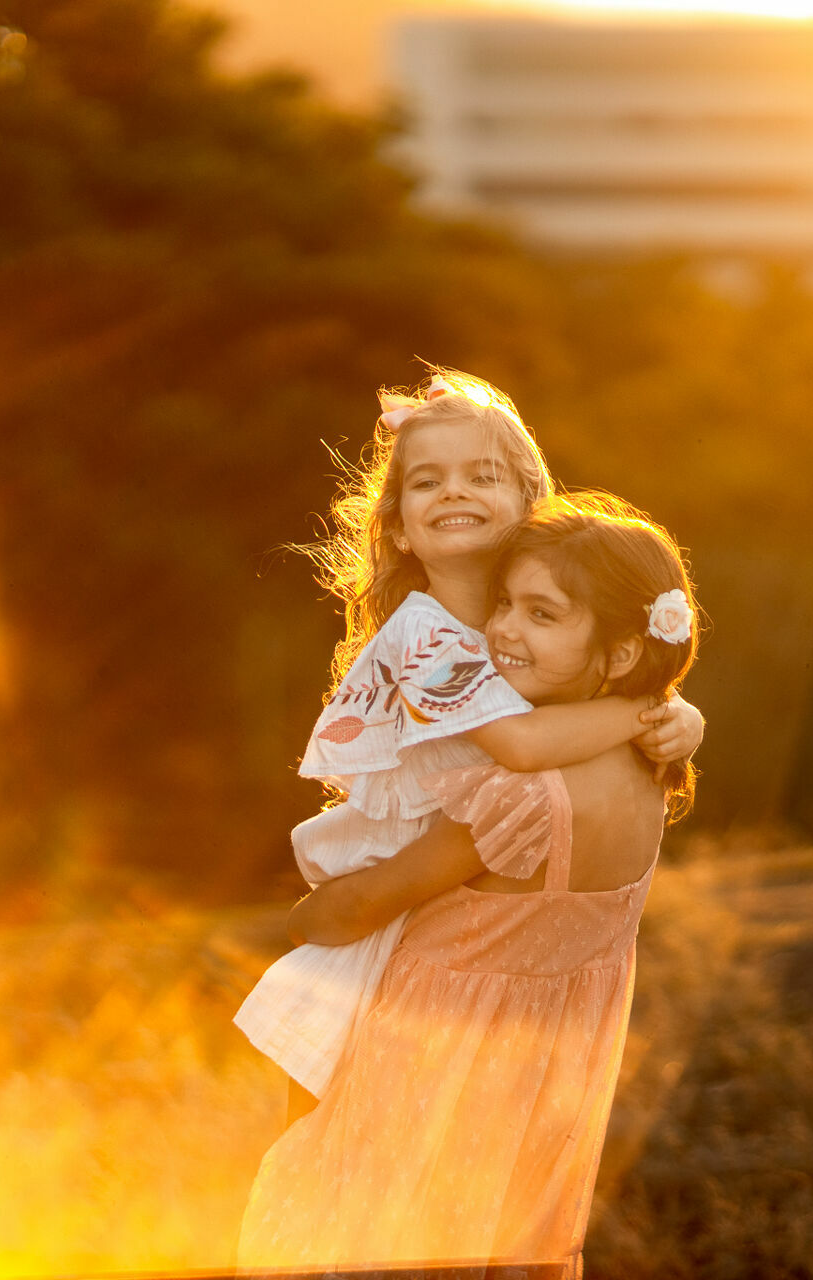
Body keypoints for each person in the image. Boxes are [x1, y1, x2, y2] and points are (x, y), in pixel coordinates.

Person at [237, 494, 700, 1273]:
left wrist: (306, 917)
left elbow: (360, 906)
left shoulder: (517, 798)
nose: (505, 631)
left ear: (621, 654)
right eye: (504, 604)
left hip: (424, 1077)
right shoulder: (650, 768)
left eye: (542, 615)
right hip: (534, 1096)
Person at [233, 371, 702, 1105]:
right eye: (427, 482)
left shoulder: (525, 627)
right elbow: (518, 743)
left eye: (481, 476)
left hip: (457, 915)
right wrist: (648, 712)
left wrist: (684, 713)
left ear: (526, 504)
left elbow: (584, 689)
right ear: (396, 525)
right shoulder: (423, 636)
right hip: (377, 919)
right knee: (325, 1165)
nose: (453, 493)